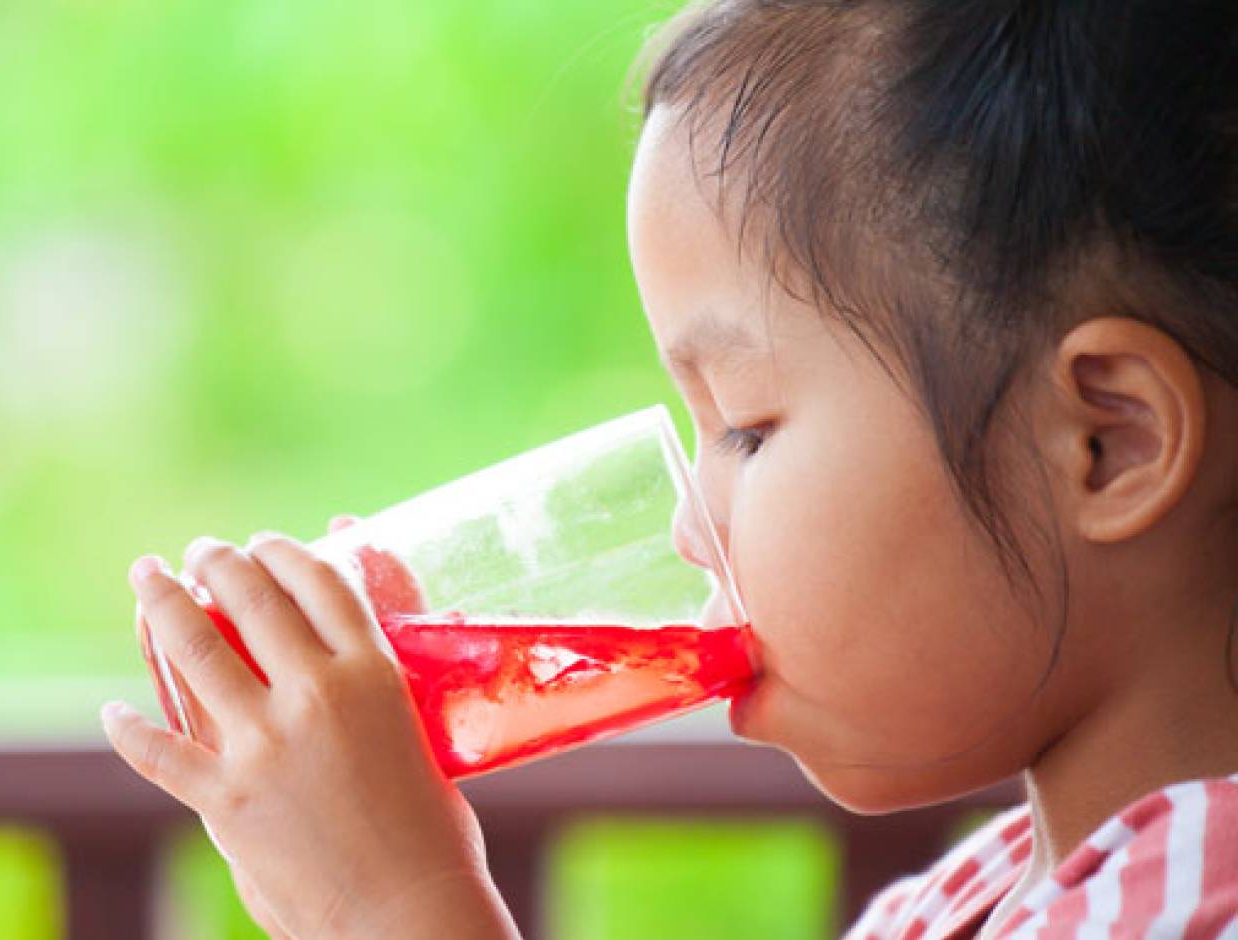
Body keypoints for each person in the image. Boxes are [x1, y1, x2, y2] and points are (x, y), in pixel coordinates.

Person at [101, 1, 1238, 936]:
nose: (693, 524)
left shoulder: (1198, 897)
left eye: (746, 426)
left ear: (1106, 441)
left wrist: (400, 907)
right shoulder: (967, 902)